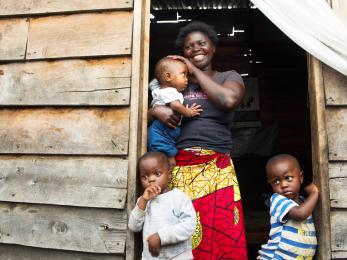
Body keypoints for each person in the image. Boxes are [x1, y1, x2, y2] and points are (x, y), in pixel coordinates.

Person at [148, 21, 248, 259]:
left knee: (223, 230)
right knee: (181, 231)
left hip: (218, 167)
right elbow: (141, 115)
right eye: (189, 47)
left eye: (201, 43)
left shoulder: (228, 76)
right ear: (183, 54)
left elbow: (228, 100)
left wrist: (195, 71)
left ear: (213, 46)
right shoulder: (175, 83)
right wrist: (155, 112)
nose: (195, 49)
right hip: (179, 165)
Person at [128, 151, 197, 259]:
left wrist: (161, 237)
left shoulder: (178, 198)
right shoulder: (144, 201)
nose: (151, 179)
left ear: (169, 175)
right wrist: (143, 201)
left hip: (178, 257)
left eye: (157, 174)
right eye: (144, 177)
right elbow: (133, 227)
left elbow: (189, 225)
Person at [258, 154, 319, 259]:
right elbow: (300, 214)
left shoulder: (305, 202)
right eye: (276, 181)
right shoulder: (278, 200)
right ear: (270, 184)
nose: (283, 185)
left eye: (288, 178)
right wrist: (314, 193)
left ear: (301, 177)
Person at [148, 58, 202, 168]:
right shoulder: (170, 91)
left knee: (161, 157)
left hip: (160, 130)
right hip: (163, 131)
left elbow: (153, 82)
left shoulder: (158, 88)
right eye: (183, 75)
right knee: (169, 160)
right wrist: (189, 112)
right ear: (168, 77)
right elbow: (175, 105)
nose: (186, 79)